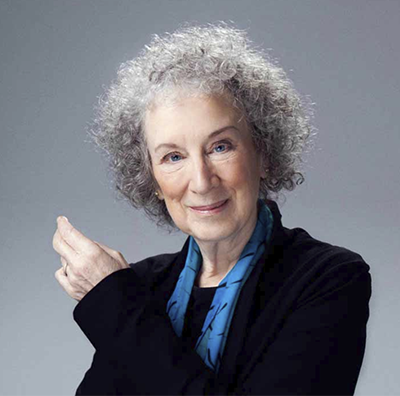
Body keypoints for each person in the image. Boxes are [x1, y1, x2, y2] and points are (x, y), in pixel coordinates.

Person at [52, 23, 371, 395]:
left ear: (263, 154)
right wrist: (121, 300)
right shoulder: (143, 286)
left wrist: (115, 304)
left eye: (220, 147)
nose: (201, 181)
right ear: (152, 179)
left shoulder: (328, 279)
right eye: (173, 156)